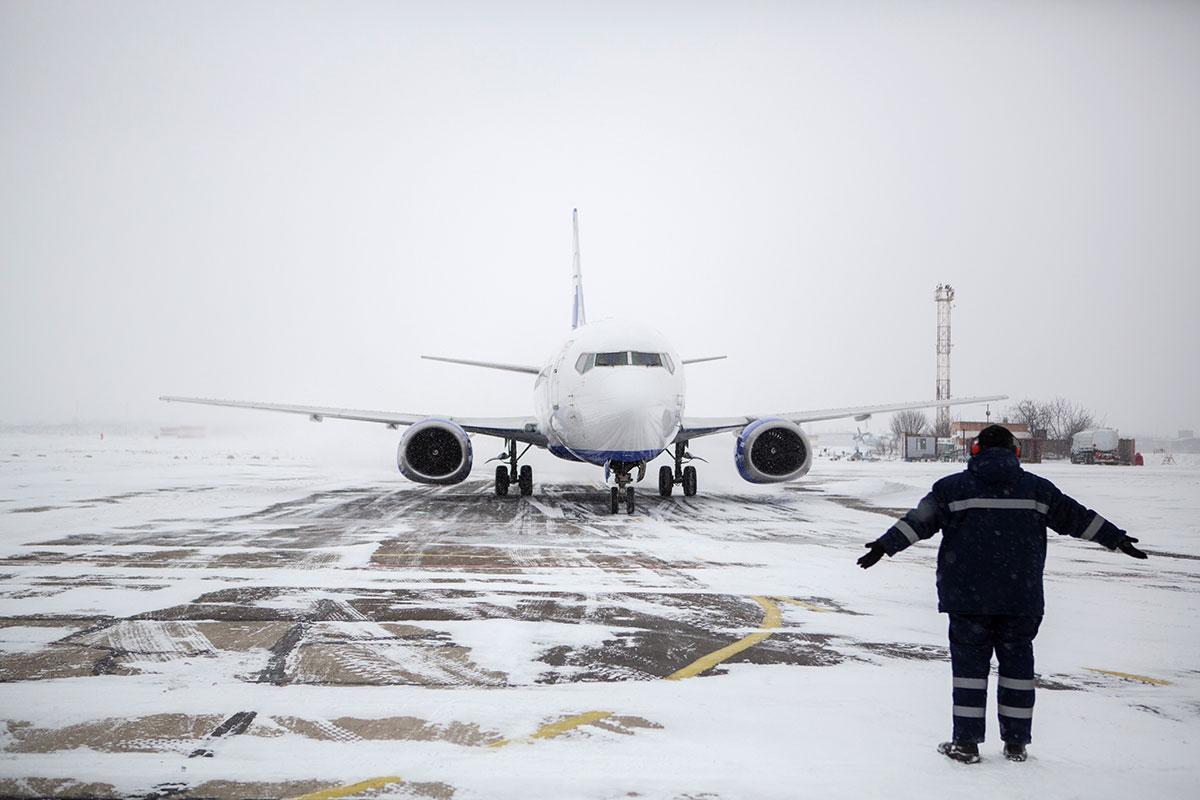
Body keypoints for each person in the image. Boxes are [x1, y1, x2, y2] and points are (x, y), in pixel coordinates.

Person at [857, 424, 1148, 764]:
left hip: (967, 600)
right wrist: (1116, 538)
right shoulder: (1038, 490)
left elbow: (916, 522)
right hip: (1020, 599)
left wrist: (884, 545)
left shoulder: (951, 489)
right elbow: (1077, 518)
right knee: (1018, 670)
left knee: (969, 672)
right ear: (1016, 452)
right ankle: (1016, 744)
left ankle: (966, 744)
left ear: (975, 450)